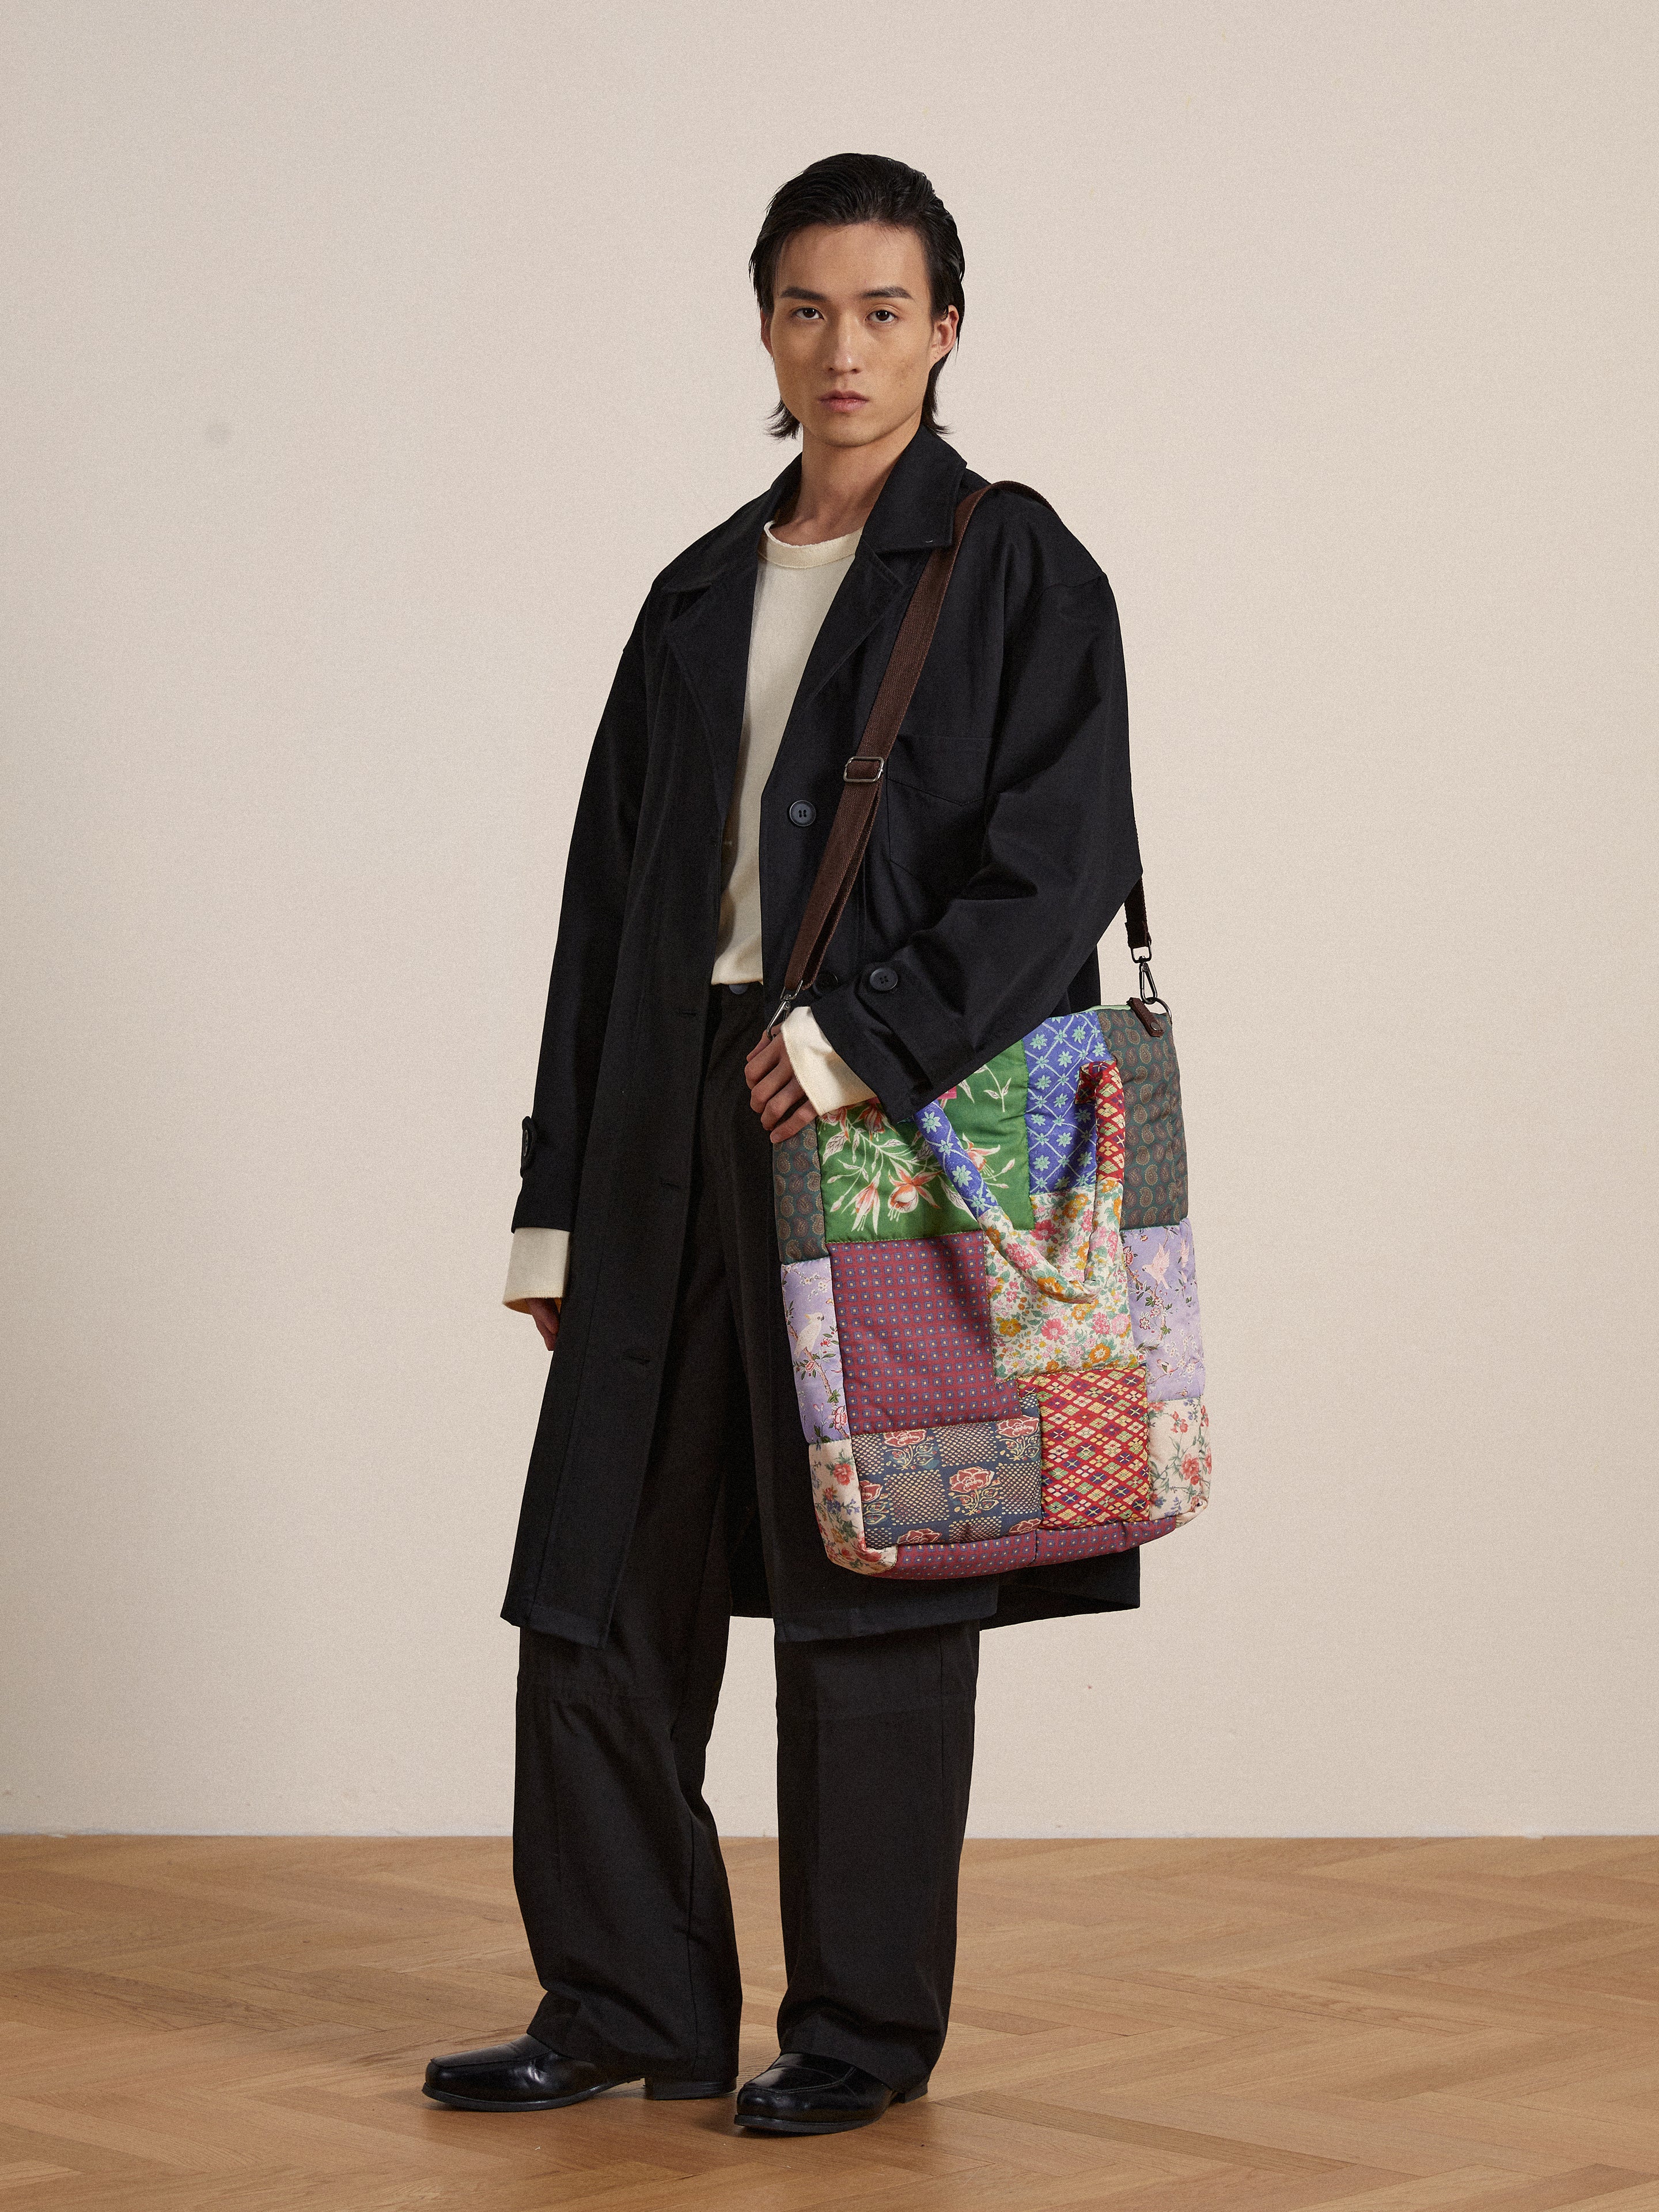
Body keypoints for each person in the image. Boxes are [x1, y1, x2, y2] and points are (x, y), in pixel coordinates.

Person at [423, 151, 1143, 2136]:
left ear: (948, 328)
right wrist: (555, 1199)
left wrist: (860, 1043)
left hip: (881, 1120)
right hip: (673, 1119)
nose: (847, 348)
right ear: (764, 326)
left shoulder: (1016, 566)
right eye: (810, 308)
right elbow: (604, 910)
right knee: (593, 1573)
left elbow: (1058, 871)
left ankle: (857, 2039)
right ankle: (621, 2002)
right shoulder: (692, 590)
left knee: (875, 1580)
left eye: (887, 310)